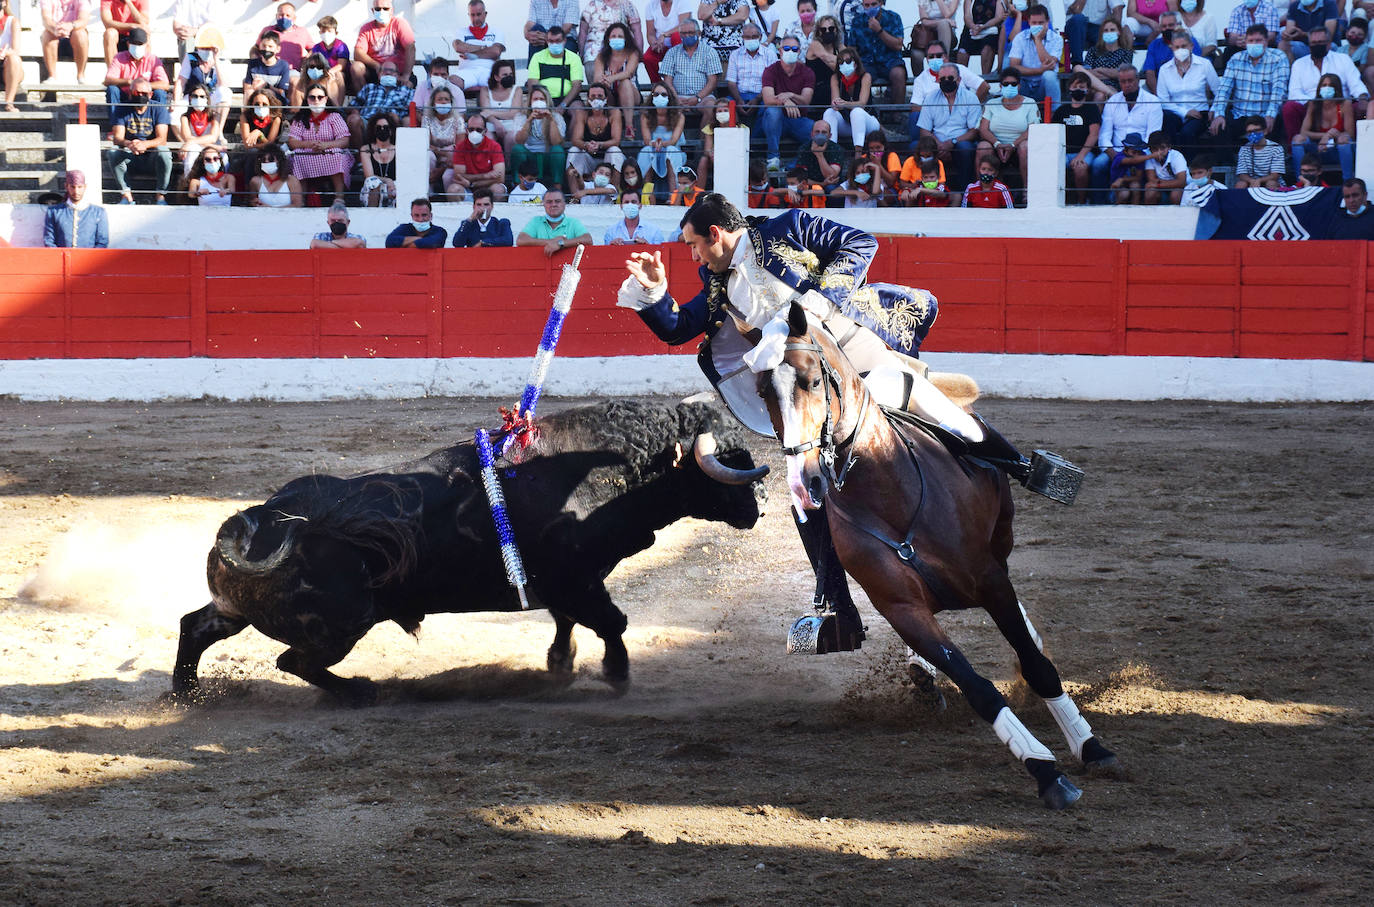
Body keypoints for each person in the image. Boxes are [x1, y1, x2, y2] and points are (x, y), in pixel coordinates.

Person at [616, 195, 1049, 645]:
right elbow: (678, 328)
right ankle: (835, 610)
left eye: (693, 245)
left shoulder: (789, 226)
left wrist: (817, 305)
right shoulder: (717, 282)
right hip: (803, 387)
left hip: (845, 345)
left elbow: (859, 244)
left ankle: (1020, 466)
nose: (693, 256)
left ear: (717, 234)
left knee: (923, 400)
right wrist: (654, 294)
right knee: (805, 494)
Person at [1282, 26, 1366, 143]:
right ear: (1309, 44)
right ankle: (1294, 150)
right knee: (1289, 108)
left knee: (1359, 107)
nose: (1317, 45)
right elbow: (1294, 92)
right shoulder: (1299, 64)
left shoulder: (1343, 59)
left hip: (1341, 108)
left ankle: (1356, 148)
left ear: (1329, 44)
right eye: (1314, 43)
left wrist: (1362, 98)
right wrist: (1313, 104)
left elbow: (1355, 84)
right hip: (1310, 108)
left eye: (1321, 42)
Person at [1209, 25, 1289, 145]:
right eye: (1251, 41)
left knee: (1273, 127)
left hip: (1265, 114)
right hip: (1240, 114)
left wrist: (1270, 115)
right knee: (1219, 127)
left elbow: (1279, 90)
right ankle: (1228, 163)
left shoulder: (1278, 58)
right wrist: (1219, 113)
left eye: (1258, 40)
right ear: (1245, 42)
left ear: (1266, 42)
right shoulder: (1236, 59)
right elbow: (1224, 89)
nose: (1254, 44)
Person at [914, 62, 981, 192]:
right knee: (915, 148)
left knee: (965, 148)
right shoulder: (930, 98)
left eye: (950, 78)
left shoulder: (970, 98)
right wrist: (939, 145)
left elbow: (974, 131)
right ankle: (921, 193)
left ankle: (965, 192)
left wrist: (952, 142)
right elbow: (924, 130)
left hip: (960, 142)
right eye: (942, 79)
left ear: (959, 79)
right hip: (936, 144)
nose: (946, 81)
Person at [107, 78, 172, 205]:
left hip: (151, 157)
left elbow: (162, 139)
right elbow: (117, 138)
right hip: (130, 155)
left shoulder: (159, 109)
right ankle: (127, 196)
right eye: (137, 93)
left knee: (164, 151)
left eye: (144, 93)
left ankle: (160, 196)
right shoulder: (122, 109)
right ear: (131, 93)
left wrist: (144, 144)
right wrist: (130, 144)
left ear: (151, 94)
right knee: (113, 151)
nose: (141, 96)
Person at [758, 33, 815, 172]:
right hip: (775, 121)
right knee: (772, 111)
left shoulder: (807, 72)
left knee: (817, 131)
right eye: (787, 48)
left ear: (799, 51)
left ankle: (794, 165)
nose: (791, 52)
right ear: (780, 50)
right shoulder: (770, 70)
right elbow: (768, 100)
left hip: (798, 119)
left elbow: (806, 101)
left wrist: (791, 95)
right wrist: (786, 102)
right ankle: (773, 158)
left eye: (794, 49)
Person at [1156, 28, 1219, 149]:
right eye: (1177, 47)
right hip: (1175, 113)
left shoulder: (1204, 64)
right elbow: (1163, 100)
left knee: (1187, 132)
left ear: (1191, 46)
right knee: (1166, 122)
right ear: (1172, 48)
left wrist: (1214, 109)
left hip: (1199, 113)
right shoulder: (1165, 69)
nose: (1180, 50)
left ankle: (1189, 164)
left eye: (1184, 46)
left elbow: (1219, 92)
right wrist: (1185, 113)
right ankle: (1172, 160)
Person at [289, 85, 352, 204]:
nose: (316, 100)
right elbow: (292, 141)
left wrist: (325, 145)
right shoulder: (300, 118)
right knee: (296, 157)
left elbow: (344, 140)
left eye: (320, 97)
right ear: (306, 99)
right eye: (312, 97)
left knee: (337, 155)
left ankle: (339, 197)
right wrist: (308, 144)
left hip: (329, 150)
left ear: (326, 99)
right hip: (307, 152)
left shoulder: (334, 117)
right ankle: (300, 200)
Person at [978, 68, 1039, 188]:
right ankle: (982, 190)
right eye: (1006, 84)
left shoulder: (1030, 103)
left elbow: (1033, 129)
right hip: (996, 148)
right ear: (1000, 86)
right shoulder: (992, 104)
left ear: (1019, 86)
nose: (1009, 86)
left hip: (1018, 148)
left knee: (1025, 147)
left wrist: (1013, 145)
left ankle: (1028, 191)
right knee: (982, 147)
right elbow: (983, 129)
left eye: (1013, 84)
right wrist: (997, 144)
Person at [1054, 71, 1107, 204]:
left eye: (1082, 87)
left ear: (1088, 90)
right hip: (1064, 153)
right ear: (1069, 88)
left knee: (1080, 168)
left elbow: (1094, 134)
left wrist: (1081, 156)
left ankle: (1082, 201)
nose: (1078, 89)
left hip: (1085, 152)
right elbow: (1054, 134)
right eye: (1075, 86)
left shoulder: (1092, 109)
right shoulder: (1061, 110)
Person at [660, 17, 722, 126]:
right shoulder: (672, 52)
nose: (687, 36)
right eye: (683, 33)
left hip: (703, 98)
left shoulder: (710, 52)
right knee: (662, 108)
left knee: (711, 108)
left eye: (690, 32)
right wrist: (675, 98)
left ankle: (703, 141)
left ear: (698, 33)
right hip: (677, 96)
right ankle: (673, 141)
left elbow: (712, 82)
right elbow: (667, 81)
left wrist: (697, 98)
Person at [1292, 72, 1354, 179]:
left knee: (1344, 139)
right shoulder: (1314, 104)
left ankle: (1348, 180)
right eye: (1324, 85)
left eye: (1331, 86)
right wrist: (1326, 135)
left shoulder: (1345, 104)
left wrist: (1331, 136)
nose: (1327, 88)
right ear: (1319, 88)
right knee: (1297, 139)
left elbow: (1350, 134)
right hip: (1317, 149)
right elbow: (1303, 132)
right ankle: (1300, 180)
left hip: (1337, 150)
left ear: (1337, 89)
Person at [567, 81, 626, 191]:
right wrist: (586, 145)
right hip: (589, 158)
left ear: (606, 99)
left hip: (607, 158)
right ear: (588, 99)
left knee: (615, 151)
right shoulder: (582, 113)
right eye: (593, 96)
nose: (596, 99)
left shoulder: (614, 112)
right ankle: (575, 196)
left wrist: (599, 145)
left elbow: (616, 140)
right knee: (574, 150)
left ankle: (614, 194)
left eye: (600, 96)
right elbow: (576, 139)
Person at [850, 0, 906, 111]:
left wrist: (879, 30)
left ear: (881, 3)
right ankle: (867, 112)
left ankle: (897, 114)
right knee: (861, 74)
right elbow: (852, 48)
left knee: (898, 74)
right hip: (867, 62)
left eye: (873, 4)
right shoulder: (857, 21)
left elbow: (898, 45)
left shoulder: (893, 18)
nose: (870, 8)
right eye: (866, 5)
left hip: (890, 60)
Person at [103, 27, 167, 121]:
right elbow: (108, 80)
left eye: (140, 44)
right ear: (128, 44)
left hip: (146, 96)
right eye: (134, 44)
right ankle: (115, 125)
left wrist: (142, 86)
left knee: (160, 93)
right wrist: (129, 82)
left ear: (146, 45)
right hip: (126, 95)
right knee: (112, 90)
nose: (137, 47)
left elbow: (164, 84)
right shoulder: (119, 57)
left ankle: (160, 125)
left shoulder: (153, 60)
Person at [511, 84, 568, 189]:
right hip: (529, 157)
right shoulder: (522, 117)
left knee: (558, 150)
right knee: (517, 149)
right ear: (530, 101)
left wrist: (550, 120)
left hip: (548, 157)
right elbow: (519, 141)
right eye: (535, 99)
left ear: (547, 102)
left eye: (542, 99)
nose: (538, 101)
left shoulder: (556, 117)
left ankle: (557, 188)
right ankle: (517, 188)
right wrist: (529, 120)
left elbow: (556, 142)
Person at [1101, 66, 1163, 162]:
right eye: (1123, 81)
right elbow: (1105, 134)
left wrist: (1137, 156)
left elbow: (1152, 136)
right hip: (1116, 152)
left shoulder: (1152, 101)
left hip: (1142, 152)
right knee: (1098, 164)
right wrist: (1113, 154)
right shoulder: (1112, 101)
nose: (1127, 85)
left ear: (1138, 80)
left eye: (1130, 81)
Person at [1005, 4, 1062, 107]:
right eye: (1034, 23)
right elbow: (1014, 67)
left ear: (1047, 22)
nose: (1037, 26)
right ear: (1029, 22)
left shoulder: (1056, 38)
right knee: (1013, 78)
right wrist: (1039, 70)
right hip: (1024, 84)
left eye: (1040, 23)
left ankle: (1055, 113)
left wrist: (1037, 40)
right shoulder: (1020, 38)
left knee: (1049, 76)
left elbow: (1050, 64)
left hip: (1043, 86)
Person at [824, 46, 880, 150]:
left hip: (868, 122)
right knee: (829, 112)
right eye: (841, 62)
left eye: (848, 61)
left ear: (855, 63)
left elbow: (862, 104)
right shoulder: (835, 78)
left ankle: (858, 153)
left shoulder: (865, 76)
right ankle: (831, 150)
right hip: (847, 123)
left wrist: (844, 104)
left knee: (857, 112)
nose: (844, 64)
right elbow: (835, 102)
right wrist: (836, 104)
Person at [347, 59, 413, 147]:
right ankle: (360, 157)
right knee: (353, 119)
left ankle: (393, 155)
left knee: (395, 117)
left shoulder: (406, 91)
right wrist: (355, 112)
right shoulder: (369, 87)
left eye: (392, 71)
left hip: (392, 123)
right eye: (384, 70)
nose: (388, 73)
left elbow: (412, 111)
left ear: (397, 76)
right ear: (379, 75)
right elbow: (354, 105)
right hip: (368, 122)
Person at [352, 0, 416, 90]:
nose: (381, 11)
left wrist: (406, 75)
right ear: (373, 11)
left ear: (392, 10)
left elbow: (411, 47)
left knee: (408, 85)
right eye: (378, 9)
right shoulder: (366, 28)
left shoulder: (400, 24)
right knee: (356, 67)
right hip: (376, 73)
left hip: (398, 73)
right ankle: (363, 100)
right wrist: (376, 65)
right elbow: (358, 53)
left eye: (385, 8)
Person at [446, 112, 508, 201]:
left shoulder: (494, 146)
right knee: (453, 190)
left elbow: (500, 178)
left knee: (498, 190)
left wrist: (473, 183)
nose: (474, 132)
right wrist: (486, 176)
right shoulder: (460, 147)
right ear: (466, 130)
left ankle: (492, 215)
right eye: (471, 129)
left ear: (485, 131)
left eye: (478, 130)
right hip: (468, 189)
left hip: (487, 188)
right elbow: (459, 176)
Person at [594, 21, 645, 128]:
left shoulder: (633, 53)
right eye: (613, 36)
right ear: (608, 38)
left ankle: (629, 126)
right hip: (610, 95)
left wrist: (611, 78)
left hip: (631, 94)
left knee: (625, 81)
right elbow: (597, 78)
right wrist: (604, 81)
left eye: (620, 36)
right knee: (600, 88)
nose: (616, 38)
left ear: (626, 38)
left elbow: (628, 73)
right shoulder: (601, 56)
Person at [909, 40, 986, 110]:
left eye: (939, 56)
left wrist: (971, 107)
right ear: (926, 59)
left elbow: (984, 86)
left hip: (962, 116)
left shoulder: (961, 69)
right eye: (931, 57)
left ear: (946, 56)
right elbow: (915, 106)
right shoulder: (920, 79)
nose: (935, 59)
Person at [638, 81, 688, 189]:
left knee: (670, 150)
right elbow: (646, 140)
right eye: (656, 94)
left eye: (664, 94)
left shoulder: (679, 116)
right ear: (652, 97)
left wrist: (660, 144)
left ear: (669, 97)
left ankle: (673, 196)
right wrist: (655, 144)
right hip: (653, 148)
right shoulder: (646, 116)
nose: (659, 97)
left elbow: (674, 141)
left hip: (674, 149)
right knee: (646, 151)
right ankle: (646, 195)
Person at [516, 187, 594, 256]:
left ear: (564, 204)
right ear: (543, 204)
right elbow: (521, 240)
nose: (553, 204)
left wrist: (560, 244)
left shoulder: (573, 222)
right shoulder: (536, 221)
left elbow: (588, 240)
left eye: (557, 201)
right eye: (549, 202)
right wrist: (552, 242)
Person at [726, 22, 776, 123]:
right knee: (725, 105)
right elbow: (731, 83)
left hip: (762, 96)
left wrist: (757, 99)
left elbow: (772, 82)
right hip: (740, 94)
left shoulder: (770, 54)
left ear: (760, 37)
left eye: (754, 36)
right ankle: (734, 134)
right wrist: (739, 100)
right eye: (747, 37)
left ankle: (755, 137)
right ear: (743, 37)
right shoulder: (735, 54)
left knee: (769, 107)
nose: (751, 39)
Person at [527, 25, 586, 113]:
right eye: (551, 41)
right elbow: (533, 84)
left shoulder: (574, 58)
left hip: (568, 100)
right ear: (547, 41)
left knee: (579, 111)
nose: (554, 44)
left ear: (564, 41)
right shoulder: (537, 57)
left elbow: (577, 86)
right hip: (544, 99)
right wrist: (543, 102)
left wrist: (563, 105)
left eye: (558, 41)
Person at [43, 170, 108, 248]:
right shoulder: (53, 212)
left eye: (80, 187)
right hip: (62, 258)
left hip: (90, 259)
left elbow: (102, 242)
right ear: (66, 186)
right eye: (72, 187)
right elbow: (49, 240)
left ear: (85, 187)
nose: (76, 191)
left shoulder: (98, 212)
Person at [1142, 11, 1201, 94]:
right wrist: (1159, 96)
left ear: (1179, 25)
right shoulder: (1154, 45)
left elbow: (1198, 70)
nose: (1167, 28)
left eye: (1171, 25)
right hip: (1160, 87)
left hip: (1188, 86)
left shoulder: (1190, 42)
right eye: (1164, 26)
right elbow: (1150, 73)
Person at [452, 0, 506, 93]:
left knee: (501, 83)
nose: (476, 18)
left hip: (489, 72)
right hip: (467, 72)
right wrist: (484, 48)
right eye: (472, 15)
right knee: (452, 82)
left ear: (485, 14)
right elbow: (459, 47)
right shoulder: (461, 31)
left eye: (479, 14)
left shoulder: (496, 31)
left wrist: (469, 51)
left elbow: (496, 52)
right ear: (468, 15)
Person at [1074, 19, 1132, 100]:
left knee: (1100, 95)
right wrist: (1110, 74)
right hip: (1093, 85)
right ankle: (1112, 94)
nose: (1109, 32)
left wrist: (1100, 70)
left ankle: (1111, 93)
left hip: (1113, 85)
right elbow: (1086, 72)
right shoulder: (1093, 50)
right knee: (1077, 68)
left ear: (1119, 32)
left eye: (1112, 30)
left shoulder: (1126, 52)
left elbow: (1121, 73)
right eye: (1106, 30)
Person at [176, 83, 226, 177]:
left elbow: (213, 137)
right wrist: (191, 143)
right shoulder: (185, 117)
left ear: (207, 99)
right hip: (198, 147)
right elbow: (187, 138)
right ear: (190, 98)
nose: (198, 99)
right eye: (195, 96)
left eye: (202, 96)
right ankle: (189, 183)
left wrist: (191, 142)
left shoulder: (214, 116)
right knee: (192, 150)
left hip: (212, 147)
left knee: (224, 157)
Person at [479, 60, 526, 156]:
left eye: (510, 74)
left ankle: (509, 168)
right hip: (491, 124)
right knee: (488, 138)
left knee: (511, 138)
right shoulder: (485, 90)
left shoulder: (517, 90)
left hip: (512, 125)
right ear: (496, 77)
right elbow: (485, 112)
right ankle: (494, 167)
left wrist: (491, 113)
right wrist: (496, 123)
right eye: (505, 75)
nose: (509, 77)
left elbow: (513, 113)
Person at [40, 0, 91, 84]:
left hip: (74, 37)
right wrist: (55, 29)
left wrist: (70, 26)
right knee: (47, 34)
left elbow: (83, 19)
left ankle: (81, 75)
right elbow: (46, 19)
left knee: (80, 33)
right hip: (55, 37)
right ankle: (52, 76)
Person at [581, 0, 643, 67]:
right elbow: (583, 31)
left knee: (624, 75)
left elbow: (637, 31)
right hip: (593, 56)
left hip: (623, 56)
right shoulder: (590, 6)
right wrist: (581, 54)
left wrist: (638, 55)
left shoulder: (627, 5)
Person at [644, 0, 693, 82]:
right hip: (662, 45)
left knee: (676, 37)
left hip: (680, 44)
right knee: (648, 58)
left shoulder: (682, 2)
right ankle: (658, 86)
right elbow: (650, 33)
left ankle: (679, 81)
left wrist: (664, 34)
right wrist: (654, 43)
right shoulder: (650, 5)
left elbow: (684, 26)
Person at [1233, 114, 1286, 187]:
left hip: (1272, 182)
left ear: (1265, 131)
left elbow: (1275, 175)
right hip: (1251, 183)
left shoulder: (1276, 148)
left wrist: (1259, 181)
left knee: (1271, 183)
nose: (1253, 134)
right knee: (1240, 184)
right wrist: (1252, 181)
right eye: (1250, 131)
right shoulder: (1244, 149)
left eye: (1256, 130)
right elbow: (1242, 174)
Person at [423, 85, 461, 187]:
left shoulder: (458, 120)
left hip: (451, 157)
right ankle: (428, 191)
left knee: (453, 152)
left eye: (446, 99)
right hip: (435, 154)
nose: (443, 102)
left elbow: (460, 146)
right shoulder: (427, 119)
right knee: (428, 155)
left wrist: (444, 162)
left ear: (451, 102)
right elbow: (426, 144)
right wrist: (442, 153)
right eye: (440, 99)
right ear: (433, 103)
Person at [244, 31, 294, 107]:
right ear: (260, 47)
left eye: (270, 46)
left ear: (277, 49)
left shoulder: (283, 65)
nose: (266, 49)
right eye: (264, 46)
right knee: (249, 92)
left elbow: (282, 91)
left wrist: (266, 85)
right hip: (257, 96)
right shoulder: (252, 64)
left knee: (267, 93)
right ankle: (245, 116)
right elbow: (247, 86)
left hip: (275, 98)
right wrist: (254, 86)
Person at [1065, 0, 1122, 66]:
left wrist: (1116, 28)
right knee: (1079, 19)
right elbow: (1076, 9)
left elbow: (1118, 8)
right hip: (1075, 26)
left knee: (1108, 30)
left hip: (1097, 27)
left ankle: (1102, 65)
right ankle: (1077, 64)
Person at [359, 112, 398, 207]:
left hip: (393, 188)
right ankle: (372, 214)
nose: (382, 130)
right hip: (373, 189)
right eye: (378, 128)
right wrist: (387, 180)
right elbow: (369, 176)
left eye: (385, 127)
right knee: (372, 182)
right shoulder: (366, 149)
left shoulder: (398, 149)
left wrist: (390, 183)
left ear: (391, 130)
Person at [795, 118, 846, 190]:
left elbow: (831, 176)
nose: (820, 135)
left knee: (831, 188)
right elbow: (800, 178)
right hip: (810, 184)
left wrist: (819, 155)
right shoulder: (804, 148)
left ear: (830, 135)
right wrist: (821, 184)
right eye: (817, 132)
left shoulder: (836, 149)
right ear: (812, 134)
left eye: (824, 132)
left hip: (832, 184)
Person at [309, 16, 351, 97]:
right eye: (323, 31)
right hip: (323, 73)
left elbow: (341, 65)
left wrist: (330, 72)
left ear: (336, 33)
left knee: (338, 75)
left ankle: (339, 106)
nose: (326, 34)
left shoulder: (341, 46)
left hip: (340, 74)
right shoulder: (317, 47)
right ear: (320, 32)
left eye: (329, 31)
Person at [100, 0, 149, 69]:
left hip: (133, 35)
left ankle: (142, 71)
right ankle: (113, 73)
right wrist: (131, 26)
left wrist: (129, 2)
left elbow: (144, 21)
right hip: (117, 35)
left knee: (145, 32)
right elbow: (107, 23)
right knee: (110, 33)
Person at [959, 0, 1005, 74]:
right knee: (962, 51)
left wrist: (983, 27)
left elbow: (999, 17)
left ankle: (985, 78)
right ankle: (961, 77)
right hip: (972, 28)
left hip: (990, 28)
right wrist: (973, 27)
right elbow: (967, 16)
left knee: (987, 48)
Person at [260, 2, 310, 69]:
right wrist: (254, 57)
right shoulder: (267, 30)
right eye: (281, 15)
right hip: (269, 70)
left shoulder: (302, 31)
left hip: (292, 71)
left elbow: (314, 49)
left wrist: (307, 58)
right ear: (276, 16)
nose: (284, 17)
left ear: (294, 18)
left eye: (288, 15)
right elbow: (255, 48)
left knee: (294, 79)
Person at [1142, 130, 1187, 204]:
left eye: (1162, 148)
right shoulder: (1150, 157)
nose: (1159, 152)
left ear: (1169, 147)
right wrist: (1158, 184)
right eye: (1155, 149)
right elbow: (1151, 179)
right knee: (1150, 191)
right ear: (1150, 149)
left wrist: (1158, 184)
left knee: (1175, 194)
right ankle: (1150, 215)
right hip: (1161, 188)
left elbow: (1182, 182)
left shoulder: (1177, 156)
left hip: (1177, 188)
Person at [700, 0, 748, 67]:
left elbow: (743, 16)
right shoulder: (708, 1)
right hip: (709, 47)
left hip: (733, 47)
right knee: (710, 76)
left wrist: (720, 21)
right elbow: (701, 15)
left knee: (730, 76)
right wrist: (717, 3)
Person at [1110, 131, 1150, 203]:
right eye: (1134, 152)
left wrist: (1122, 179)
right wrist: (1152, 155)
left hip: (1131, 184)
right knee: (1124, 193)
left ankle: (1135, 210)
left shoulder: (1142, 156)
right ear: (1125, 149)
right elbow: (1134, 160)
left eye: (1139, 152)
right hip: (1118, 188)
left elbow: (1138, 177)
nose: (1137, 155)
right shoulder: (1119, 157)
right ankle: (1118, 210)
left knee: (1136, 185)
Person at [0, 0, 22, 112]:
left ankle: (9, 103)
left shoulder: (12, 22)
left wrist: (4, 53)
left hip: (6, 65)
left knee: (14, 59)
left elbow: (15, 50)